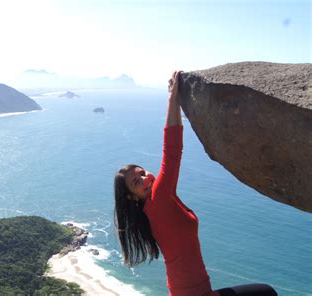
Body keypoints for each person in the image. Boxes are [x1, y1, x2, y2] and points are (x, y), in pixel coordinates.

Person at [113, 71, 277, 296]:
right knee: (266, 293)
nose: (145, 178)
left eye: (142, 172)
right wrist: (173, 100)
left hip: (192, 292)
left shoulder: (151, 209)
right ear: (131, 196)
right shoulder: (158, 198)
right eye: (136, 181)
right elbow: (172, 152)